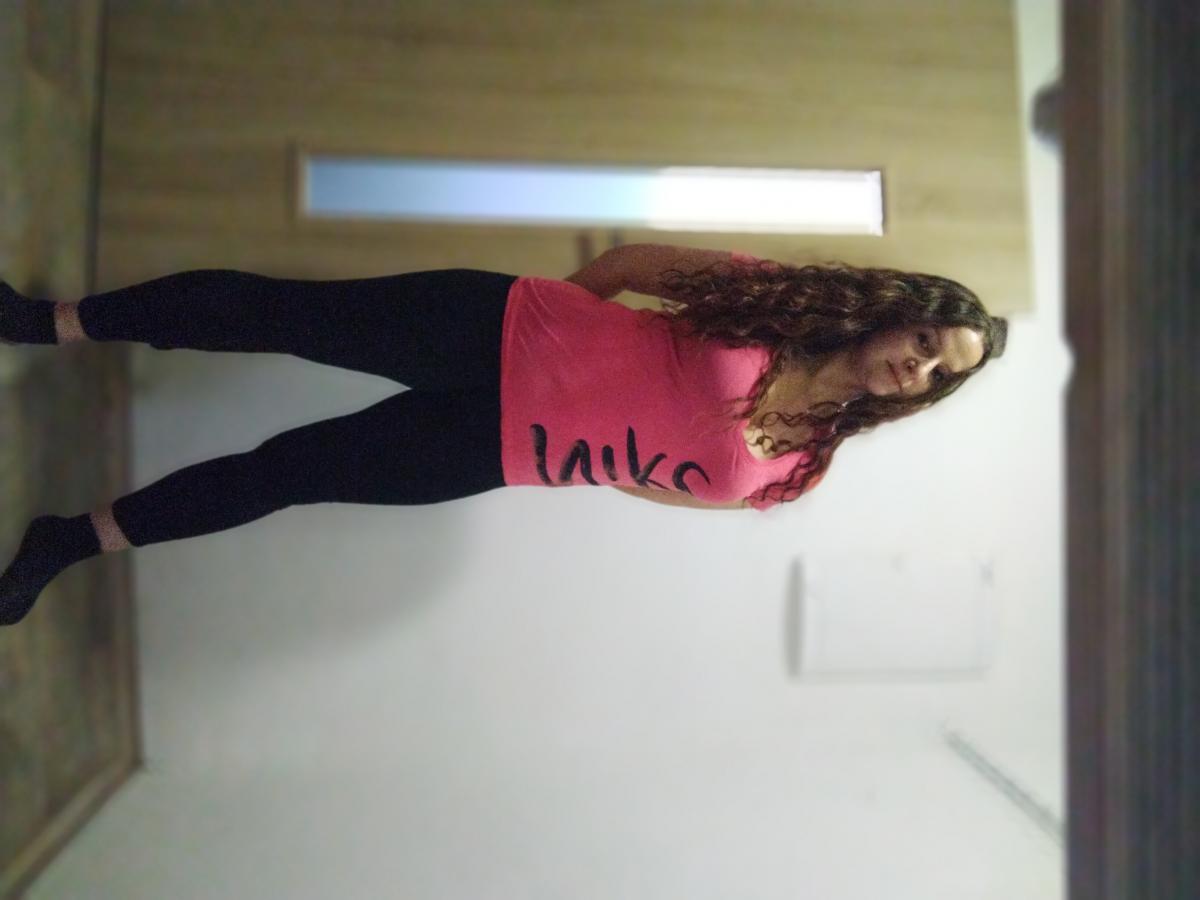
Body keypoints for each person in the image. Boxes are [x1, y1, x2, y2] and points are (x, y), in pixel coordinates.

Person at [0, 245, 1006, 625]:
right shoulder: (782, 302)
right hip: (494, 328)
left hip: (500, 449)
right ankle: (47, 322)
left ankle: (70, 540)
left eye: (939, 374)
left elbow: (658, 480)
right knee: (279, 313)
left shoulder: (802, 467)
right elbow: (633, 265)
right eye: (925, 341)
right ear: (900, 314)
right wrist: (560, 327)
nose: (917, 367)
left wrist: (581, 439)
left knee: (284, 476)